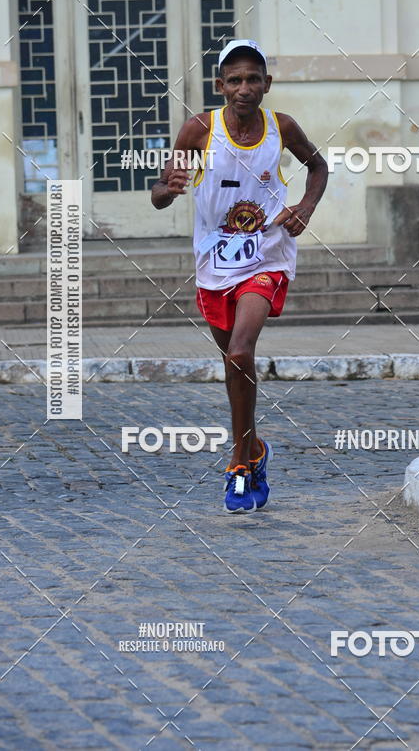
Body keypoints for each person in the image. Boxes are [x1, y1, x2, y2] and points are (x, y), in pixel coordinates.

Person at [151, 39, 328, 513]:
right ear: (220, 86)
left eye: (253, 79)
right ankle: (256, 448)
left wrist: (305, 207)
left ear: (267, 84)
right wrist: (167, 189)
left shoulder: (281, 126)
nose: (244, 88)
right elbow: (159, 194)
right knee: (236, 368)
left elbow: (318, 166)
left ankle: (237, 463)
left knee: (240, 350)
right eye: (235, 80)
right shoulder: (198, 130)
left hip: (267, 257)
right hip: (215, 265)